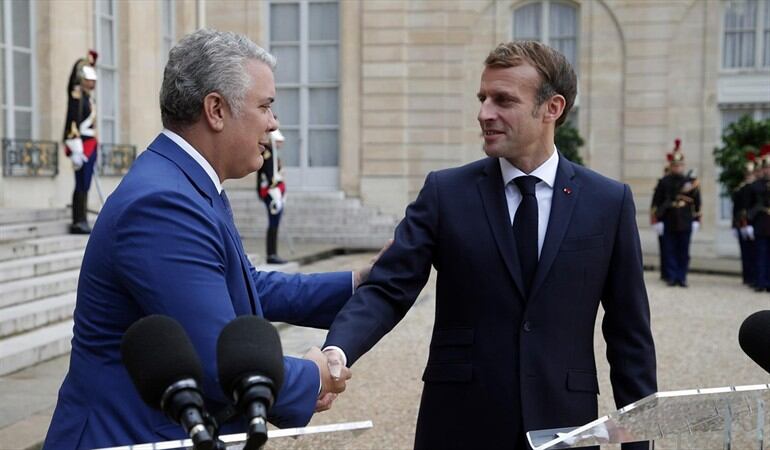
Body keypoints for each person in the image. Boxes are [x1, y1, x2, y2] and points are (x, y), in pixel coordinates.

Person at [43, 30, 371, 450]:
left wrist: (356, 284)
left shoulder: (185, 182)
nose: (273, 123)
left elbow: (244, 285)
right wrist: (311, 374)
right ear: (216, 110)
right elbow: (216, 358)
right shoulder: (163, 202)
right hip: (128, 438)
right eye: (266, 106)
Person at [323, 41, 657, 449]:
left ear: (552, 108)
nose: (484, 113)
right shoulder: (444, 193)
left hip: (564, 423)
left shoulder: (608, 202)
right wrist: (338, 348)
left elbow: (629, 335)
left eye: (503, 100)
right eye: (482, 98)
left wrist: (639, 442)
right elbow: (388, 287)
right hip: (459, 421)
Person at [651, 140, 701, 287]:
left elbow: (697, 201)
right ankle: (672, 277)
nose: (677, 168)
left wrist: (697, 219)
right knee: (669, 250)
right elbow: (657, 201)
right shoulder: (664, 182)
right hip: (669, 218)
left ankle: (682, 276)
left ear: (683, 166)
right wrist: (657, 219)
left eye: (680, 165)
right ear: (671, 166)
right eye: (675, 165)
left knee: (683, 251)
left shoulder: (691, 182)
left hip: (685, 219)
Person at [63, 50, 99, 234]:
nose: (92, 82)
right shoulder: (76, 95)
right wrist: (74, 146)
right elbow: (72, 120)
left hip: (90, 143)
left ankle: (83, 217)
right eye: (89, 78)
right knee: (80, 183)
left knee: (86, 183)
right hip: (81, 144)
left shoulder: (88, 98)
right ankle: (78, 220)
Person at [257, 115, 287, 264]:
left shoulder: (273, 152)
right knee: (273, 222)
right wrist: (274, 190)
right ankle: (271, 254)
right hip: (270, 191)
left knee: (275, 222)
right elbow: (269, 175)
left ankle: (273, 252)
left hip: (274, 190)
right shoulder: (267, 152)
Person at [746, 145, 770, 292]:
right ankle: (761, 282)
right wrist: (748, 223)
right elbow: (749, 206)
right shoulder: (756, 186)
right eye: (766, 168)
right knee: (761, 255)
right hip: (761, 223)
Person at [734, 152, 757, 287]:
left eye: (751, 175)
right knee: (746, 252)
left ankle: (755, 277)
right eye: (747, 175)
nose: (749, 177)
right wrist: (735, 225)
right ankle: (747, 276)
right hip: (743, 223)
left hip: (755, 223)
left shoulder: (756, 188)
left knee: (756, 253)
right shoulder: (740, 189)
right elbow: (736, 209)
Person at [651, 166, 670, 282]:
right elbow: (655, 204)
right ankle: (665, 272)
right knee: (665, 249)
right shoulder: (662, 185)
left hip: (673, 221)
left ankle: (670, 273)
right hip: (663, 220)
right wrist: (656, 221)